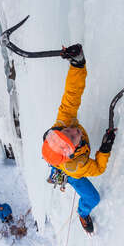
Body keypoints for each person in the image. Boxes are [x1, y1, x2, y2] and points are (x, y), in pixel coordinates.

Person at [41, 44, 117, 233]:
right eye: (73, 138)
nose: (75, 131)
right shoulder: (77, 166)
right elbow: (98, 168)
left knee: (55, 161)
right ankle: (83, 214)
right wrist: (105, 150)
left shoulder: (64, 122)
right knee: (93, 199)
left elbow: (71, 95)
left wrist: (77, 64)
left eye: (67, 132)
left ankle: (54, 172)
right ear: (72, 152)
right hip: (69, 170)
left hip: (58, 158)